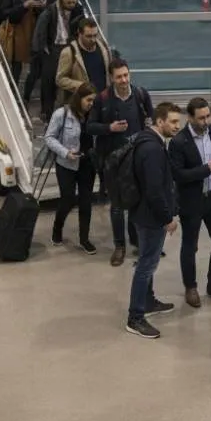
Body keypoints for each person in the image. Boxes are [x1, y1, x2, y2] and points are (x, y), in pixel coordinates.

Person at [169, 97, 211, 308]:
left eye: (208, 116)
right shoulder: (178, 142)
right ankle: (190, 287)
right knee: (190, 245)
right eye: (201, 118)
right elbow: (179, 175)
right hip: (192, 201)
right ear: (189, 118)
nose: (205, 121)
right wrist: (207, 169)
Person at [125, 102, 184, 340]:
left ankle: (147, 301)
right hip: (150, 217)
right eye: (173, 122)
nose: (177, 127)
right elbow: (154, 190)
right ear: (159, 121)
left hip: (144, 214)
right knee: (146, 265)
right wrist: (167, 218)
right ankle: (135, 317)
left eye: (178, 122)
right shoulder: (152, 149)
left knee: (147, 262)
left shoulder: (149, 141)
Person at [88, 58, 154, 266]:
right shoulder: (102, 99)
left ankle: (138, 241)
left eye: (126, 75)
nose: (124, 80)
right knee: (117, 205)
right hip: (113, 160)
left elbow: (150, 122)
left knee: (139, 201)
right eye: (119, 77)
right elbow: (90, 127)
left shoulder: (141, 95)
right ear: (111, 78)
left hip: (137, 158)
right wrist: (110, 128)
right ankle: (119, 246)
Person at [43, 83, 98, 254]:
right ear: (79, 98)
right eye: (88, 100)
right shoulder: (62, 114)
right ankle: (57, 229)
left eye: (93, 101)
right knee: (67, 199)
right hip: (66, 164)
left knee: (86, 202)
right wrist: (66, 153)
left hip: (87, 164)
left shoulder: (94, 116)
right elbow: (49, 138)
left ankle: (84, 239)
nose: (91, 104)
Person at [30, 0, 84, 119]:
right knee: (48, 81)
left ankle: (70, 111)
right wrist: (43, 50)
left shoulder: (78, 9)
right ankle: (47, 112)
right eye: (69, 2)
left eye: (74, 1)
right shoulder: (50, 10)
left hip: (70, 46)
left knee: (70, 79)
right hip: (53, 48)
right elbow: (40, 31)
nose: (72, 5)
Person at [0, 0, 47, 91]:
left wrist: (41, 5)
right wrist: (24, 5)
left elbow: (44, 11)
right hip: (18, 29)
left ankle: (28, 93)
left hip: (35, 27)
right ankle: (13, 92)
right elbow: (5, 12)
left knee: (37, 62)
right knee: (17, 64)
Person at [55, 17, 111, 110]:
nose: (93, 39)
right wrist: (82, 87)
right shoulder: (69, 52)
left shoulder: (103, 48)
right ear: (79, 33)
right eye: (89, 36)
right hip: (80, 106)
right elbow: (60, 79)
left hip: (101, 103)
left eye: (95, 35)